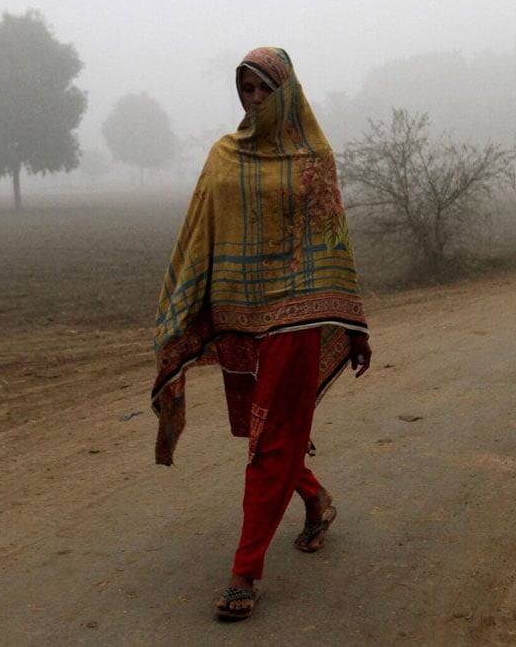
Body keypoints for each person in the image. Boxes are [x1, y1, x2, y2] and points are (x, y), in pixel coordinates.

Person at [151, 47, 371, 622]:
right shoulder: (224, 156)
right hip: (240, 311)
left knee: (268, 438)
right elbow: (201, 229)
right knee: (268, 431)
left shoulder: (314, 157)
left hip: (299, 314)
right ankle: (317, 499)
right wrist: (186, 304)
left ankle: (245, 571)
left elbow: (333, 241)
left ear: (287, 93)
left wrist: (350, 319)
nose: (252, 101)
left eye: (263, 91)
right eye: (244, 89)